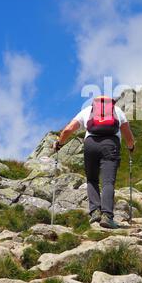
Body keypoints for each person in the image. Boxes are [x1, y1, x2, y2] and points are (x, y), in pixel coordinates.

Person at [54, 96, 135, 229]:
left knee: (92, 179)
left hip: (90, 144)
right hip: (110, 144)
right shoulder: (117, 111)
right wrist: (131, 147)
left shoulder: (88, 110)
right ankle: (107, 216)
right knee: (108, 181)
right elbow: (127, 134)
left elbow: (68, 129)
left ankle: (95, 212)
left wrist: (59, 143)